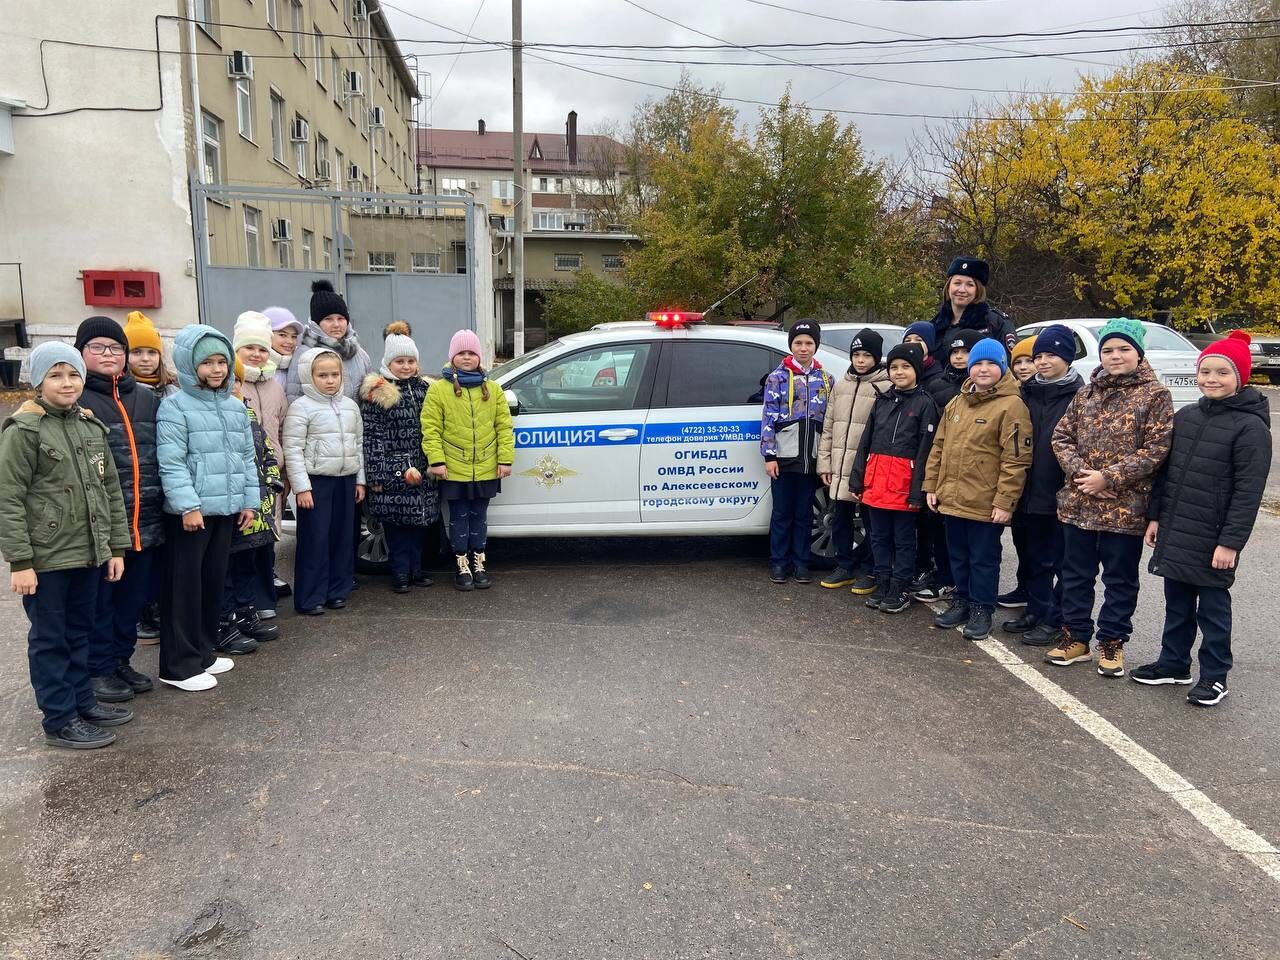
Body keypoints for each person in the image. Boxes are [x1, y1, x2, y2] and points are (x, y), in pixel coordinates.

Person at [0, 342, 132, 748]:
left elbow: (109, 491)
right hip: (46, 559)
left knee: (80, 633)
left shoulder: (91, 427)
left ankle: (82, 702)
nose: (67, 382)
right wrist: (20, 561)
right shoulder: (25, 432)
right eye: (55, 375)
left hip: (89, 551)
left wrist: (115, 547)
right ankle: (59, 718)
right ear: (37, 382)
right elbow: (8, 497)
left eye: (73, 374)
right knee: (51, 639)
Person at [1136, 331, 1271, 706]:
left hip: (1214, 538)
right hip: (1178, 529)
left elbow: (1248, 493)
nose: (1211, 379)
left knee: (1212, 611)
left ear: (1240, 378)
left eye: (1222, 373)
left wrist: (1230, 542)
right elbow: (1167, 474)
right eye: (1205, 371)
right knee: (1176, 603)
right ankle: (1174, 663)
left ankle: (1214, 676)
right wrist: (1156, 517)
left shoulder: (1251, 428)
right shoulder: (1188, 416)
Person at [1047, 318, 1173, 678]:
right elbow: (1061, 438)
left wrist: (1109, 477)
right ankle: (1076, 638)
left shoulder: (1155, 395)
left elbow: (1156, 449)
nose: (1115, 356)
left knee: (1119, 580)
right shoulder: (1086, 393)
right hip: (1079, 502)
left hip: (1124, 507)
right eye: (1108, 350)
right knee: (1075, 575)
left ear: (1138, 353)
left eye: (1123, 349)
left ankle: (1112, 643)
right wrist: (1085, 477)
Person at [155, 325, 258, 692]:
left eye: (221, 362)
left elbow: (246, 458)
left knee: (211, 584)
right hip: (191, 514)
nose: (216, 369)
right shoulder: (174, 406)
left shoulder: (233, 406)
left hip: (225, 509)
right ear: (188, 364)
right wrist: (187, 505)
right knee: (184, 589)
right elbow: (171, 462)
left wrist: (248, 500)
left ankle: (203, 652)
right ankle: (178, 665)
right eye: (207, 363)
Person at [74, 317, 165, 704]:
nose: (108, 355)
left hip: (145, 519)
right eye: (98, 347)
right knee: (101, 603)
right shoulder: (77, 401)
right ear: (81, 353)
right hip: (105, 525)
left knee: (133, 599)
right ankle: (98, 669)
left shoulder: (146, 398)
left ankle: (120, 660)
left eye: (116, 348)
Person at [923, 338, 1032, 641]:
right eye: (977, 364)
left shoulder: (1012, 406)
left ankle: (982, 608)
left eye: (990, 364)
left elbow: (1016, 460)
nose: (983, 370)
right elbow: (939, 447)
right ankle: (962, 600)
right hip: (952, 498)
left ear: (1002, 367)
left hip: (985, 503)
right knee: (958, 554)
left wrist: (1005, 502)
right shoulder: (957, 402)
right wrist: (932, 484)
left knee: (983, 558)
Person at [1005, 325, 1084, 646]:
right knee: (1034, 556)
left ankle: (1056, 618)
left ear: (1066, 357)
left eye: (1051, 354)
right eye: (1039, 356)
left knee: (1062, 561)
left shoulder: (1080, 395)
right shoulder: (1027, 393)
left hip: (1060, 492)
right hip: (1027, 488)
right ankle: (1036, 610)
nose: (1042, 362)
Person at [421, 330, 514, 591]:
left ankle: (479, 561)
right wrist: (436, 461)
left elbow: (504, 427)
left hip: (486, 466)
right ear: (452, 357)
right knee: (459, 515)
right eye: (461, 353)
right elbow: (430, 428)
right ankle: (460, 562)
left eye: (471, 353)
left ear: (479, 357)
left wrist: (505, 459)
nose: (466, 357)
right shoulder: (439, 389)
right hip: (453, 468)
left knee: (479, 515)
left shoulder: (493, 389)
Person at [849, 342, 938, 613]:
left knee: (903, 541)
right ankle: (884, 581)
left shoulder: (926, 404)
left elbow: (926, 452)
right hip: (876, 484)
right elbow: (865, 443)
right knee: (879, 538)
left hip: (903, 487)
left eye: (906, 367)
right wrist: (857, 479)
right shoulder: (883, 400)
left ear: (917, 370)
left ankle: (900, 587)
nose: (899, 372)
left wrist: (917, 491)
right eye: (894, 367)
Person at [282, 348, 365, 614]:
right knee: (315, 539)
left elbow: (359, 444)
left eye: (335, 374)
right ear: (309, 376)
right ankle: (310, 597)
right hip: (316, 483)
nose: (330, 380)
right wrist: (301, 487)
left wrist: (360, 480)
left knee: (343, 537)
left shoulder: (350, 406)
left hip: (346, 479)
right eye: (322, 375)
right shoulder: (301, 407)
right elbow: (293, 448)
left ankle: (337, 590)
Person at [360, 323, 437, 593]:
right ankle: (400, 574)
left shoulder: (424, 389)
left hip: (421, 468)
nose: (405, 366)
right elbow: (371, 437)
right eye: (399, 361)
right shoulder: (378, 391)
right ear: (388, 362)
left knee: (420, 525)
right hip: (393, 471)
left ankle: (416, 570)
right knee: (397, 529)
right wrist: (377, 476)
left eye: (410, 361)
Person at [912, 327, 985, 603]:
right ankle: (943, 577)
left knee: (970, 539)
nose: (959, 357)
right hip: (940, 464)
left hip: (971, 471)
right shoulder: (937, 384)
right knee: (940, 528)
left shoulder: (981, 389)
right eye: (955, 351)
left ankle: (963, 587)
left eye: (966, 352)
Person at [817, 327, 890, 593]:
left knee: (872, 524)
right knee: (840, 519)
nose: (860, 360)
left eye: (867, 355)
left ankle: (870, 570)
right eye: (857, 354)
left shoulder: (886, 386)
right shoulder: (841, 384)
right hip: (839, 467)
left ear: (876, 357)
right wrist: (824, 463)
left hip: (867, 469)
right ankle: (844, 566)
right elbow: (828, 427)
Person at [760, 319, 831, 585]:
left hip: (811, 458)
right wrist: (769, 455)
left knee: (804, 514)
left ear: (816, 346)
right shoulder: (777, 377)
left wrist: (826, 460)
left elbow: (830, 422)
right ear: (791, 346)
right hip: (785, 457)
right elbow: (767, 418)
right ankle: (779, 563)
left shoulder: (825, 379)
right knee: (782, 513)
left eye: (809, 343)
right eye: (798, 343)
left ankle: (801, 564)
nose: (803, 348)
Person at [233, 311, 288, 619]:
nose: (256, 354)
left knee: (267, 538)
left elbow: (282, 428)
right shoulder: (231, 383)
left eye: (262, 349)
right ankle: (245, 603)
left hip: (271, 476)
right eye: (249, 348)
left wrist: (285, 470)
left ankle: (264, 598)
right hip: (244, 477)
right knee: (243, 543)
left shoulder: (275, 386)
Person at [218, 395, 283, 651]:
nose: (232, 384)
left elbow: (266, 451)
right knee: (227, 567)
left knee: (247, 563)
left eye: (236, 380)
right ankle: (226, 619)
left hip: (257, 503)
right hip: (232, 504)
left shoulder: (250, 416)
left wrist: (271, 479)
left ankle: (246, 613)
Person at [997, 335, 1040, 611]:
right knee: (1021, 540)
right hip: (1019, 483)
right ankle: (1024, 587)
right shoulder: (1016, 394)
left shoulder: (1040, 394)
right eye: (1019, 362)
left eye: (1030, 360)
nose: (1024, 367)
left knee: (1040, 548)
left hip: (1039, 482)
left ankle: (1038, 599)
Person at [284, 281, 372, 402]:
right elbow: (294, 398)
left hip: (355, 420)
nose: (336, 324)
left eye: (341, 318)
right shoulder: (304, 354)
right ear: (316, 323)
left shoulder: (358, 352)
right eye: (328, 319)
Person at [928, 257, 1017, 361]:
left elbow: (1011, 363)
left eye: (969, 285)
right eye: (957, 283)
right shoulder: (935, 326)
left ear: (978, 290)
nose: (961, 290)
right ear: (948, 287)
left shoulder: (996, 323)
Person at [124, 310, 178, 397]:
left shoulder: (177, 387)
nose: (145, 358)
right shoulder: (119, 391)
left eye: (152, 352)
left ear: (160, 356)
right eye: (137, 352)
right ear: (125, 355)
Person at [264, 306, 303, 389]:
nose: (290, 341)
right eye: (282, 335)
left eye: (294, 336)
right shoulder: (252, 366)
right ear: (266, 334)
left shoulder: (301, 366)